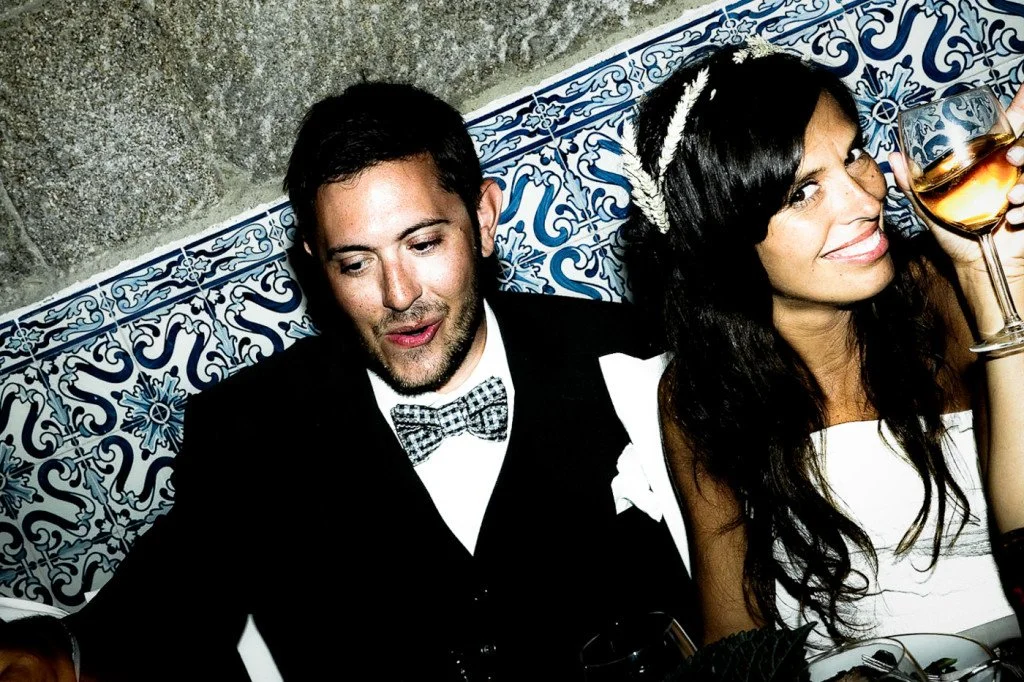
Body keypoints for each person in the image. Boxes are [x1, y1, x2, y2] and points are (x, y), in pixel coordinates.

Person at [0, 82, 695, 681]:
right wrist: (53, 652)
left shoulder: (631, 357)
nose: (399, 296)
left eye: (423, 244)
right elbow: (166, 601)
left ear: (482, 219)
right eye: (355, 263)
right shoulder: (252, 430)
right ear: (315, 262)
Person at [615, 42, 1024, 649]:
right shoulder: (701, 395)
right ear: (725, 241)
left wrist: (990, 277)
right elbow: (739, 647)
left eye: (854, 154)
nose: (867, 200)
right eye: (803, 191)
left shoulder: (941, 292)